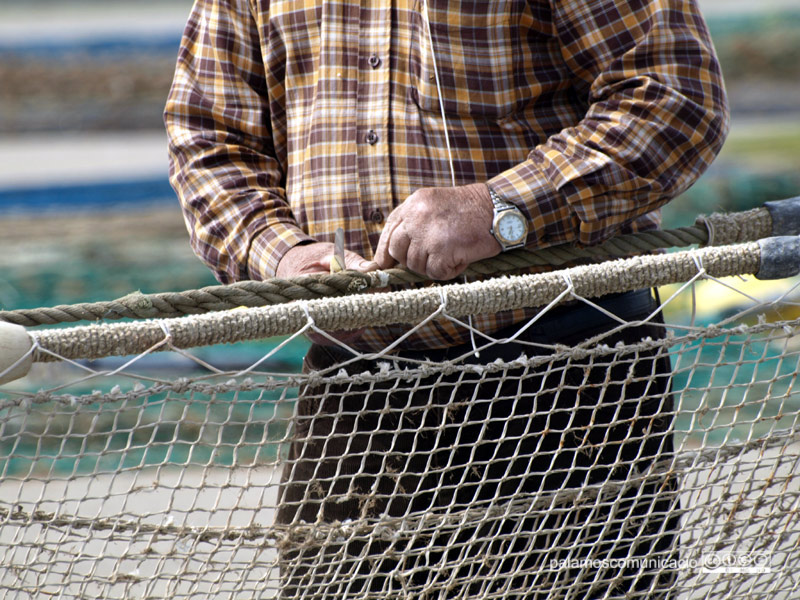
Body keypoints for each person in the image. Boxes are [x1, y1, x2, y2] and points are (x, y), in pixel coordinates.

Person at [165, 0, 729, 597]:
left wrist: (499, 208)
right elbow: (208, 137)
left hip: (567, 381)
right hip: (355, 394)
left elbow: (674, 99)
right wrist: (282, 255)